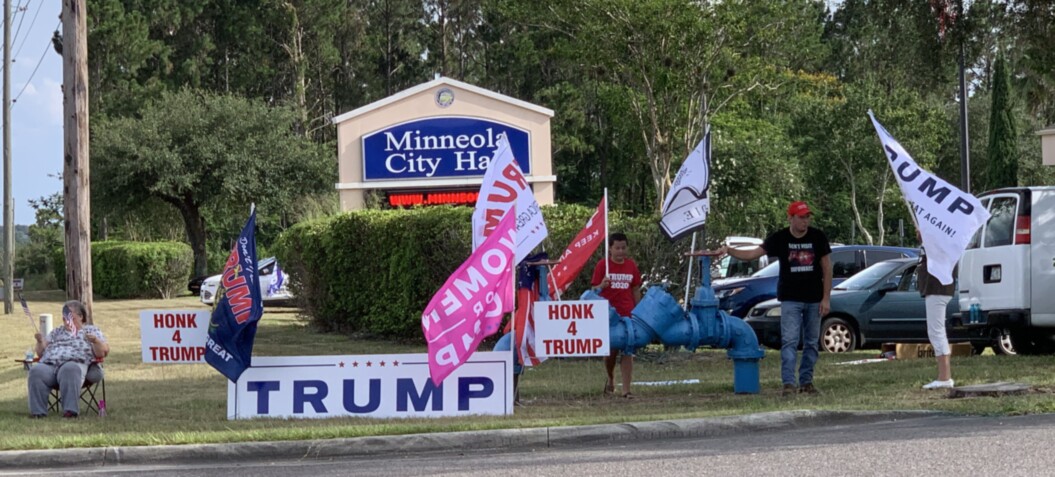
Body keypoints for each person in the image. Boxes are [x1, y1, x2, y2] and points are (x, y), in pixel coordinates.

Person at [718, 201, 832, 396]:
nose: (805, 221)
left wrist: (826, 298)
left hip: (813, 298)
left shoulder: (817, 237)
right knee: (789, 341)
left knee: (812, 342)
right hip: (790, 298)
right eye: (801, 217)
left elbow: (827, 267)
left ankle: (807, 382)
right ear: (791, 218)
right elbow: (753, 254)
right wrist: (730, 250)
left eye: (807, 217)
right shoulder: (780, 238)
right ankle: (789, 384)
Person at [28, 300, 109, 418]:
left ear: (80, 316)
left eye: (70, 317)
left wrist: (95, 341)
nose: (66, 321)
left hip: (74, 363)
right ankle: (38, 413)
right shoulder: (57, 331)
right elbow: (40, 352)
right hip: (51, 364)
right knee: (36, 371)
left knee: (69, 368)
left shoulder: (92, 330)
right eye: (64, 317)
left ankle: (70, 411)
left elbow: (103, 352)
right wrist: (40, 341)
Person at [591, 232, 642, 399]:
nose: (620, 251)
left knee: (628, 350)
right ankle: (611, 378)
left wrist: (638, 310)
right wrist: (601, 285)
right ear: (610, 249)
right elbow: (592, 291)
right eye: (617, 248)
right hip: (609, 315)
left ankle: (626, 389)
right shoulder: (601, 266)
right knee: (611, 351)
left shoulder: (631, 266)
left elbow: (635, 289)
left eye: (623, 248)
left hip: (628, 314)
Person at [916, 232, 956, 389]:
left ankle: (945, 376)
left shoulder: (941, 238)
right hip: (936, 287)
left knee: (936, 331)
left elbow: (938, 256)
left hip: (937, 287)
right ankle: (944, 376)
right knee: (936, 331)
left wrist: (926, 238)